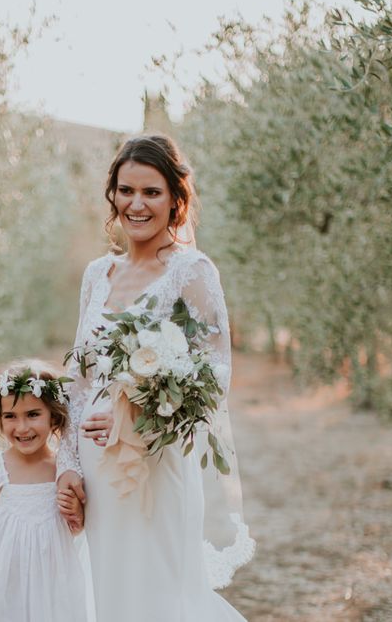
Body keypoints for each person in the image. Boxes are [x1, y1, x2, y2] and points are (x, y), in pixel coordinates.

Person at [57, 134, 255, 621]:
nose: (136, 204)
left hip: (156, 466)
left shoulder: (192, 271)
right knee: (110, 594)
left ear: (175, 199)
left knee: (162, 595)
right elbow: (78, 381)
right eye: (126, 191)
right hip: (97, 468)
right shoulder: (96, 275)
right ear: (112, 196)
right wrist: (68, 466)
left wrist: (139, 413)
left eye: (151, 192)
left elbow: (216, 375)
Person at [0, 360, 87, 622]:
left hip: (51, 594)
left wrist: (77, 514)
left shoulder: (65, 472)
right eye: (10, 416)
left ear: (54, 416)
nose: (22, 427)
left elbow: (77, 531)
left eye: (33, 414)